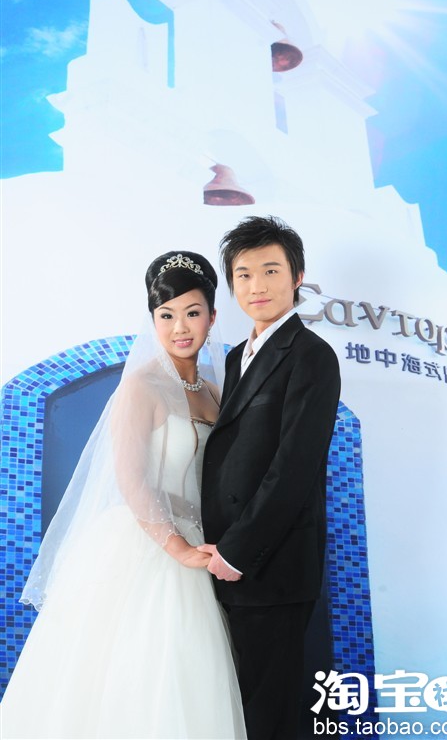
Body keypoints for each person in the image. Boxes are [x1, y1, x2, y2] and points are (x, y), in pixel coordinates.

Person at [1, 251, 247, 740]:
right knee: (127, 678)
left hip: (198, 546)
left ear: (212, 316)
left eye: (192, 312)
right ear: (152, 320)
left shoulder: (216, 393)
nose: (180, 327)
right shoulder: (141, 386)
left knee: (187, 682)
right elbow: (131, 478)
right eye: (166, 315)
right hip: (145, 545)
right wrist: (177, 547)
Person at [199, 217, 341, 740]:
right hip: (226, 561)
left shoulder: (312, 356)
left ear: (297, 277)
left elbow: (294, 469)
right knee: (234, 709)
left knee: (267, 716)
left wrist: (237, 552)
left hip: (270, 567)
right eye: (243, 274)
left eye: (271, 270)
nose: (256, 285)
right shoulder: (237, 357)